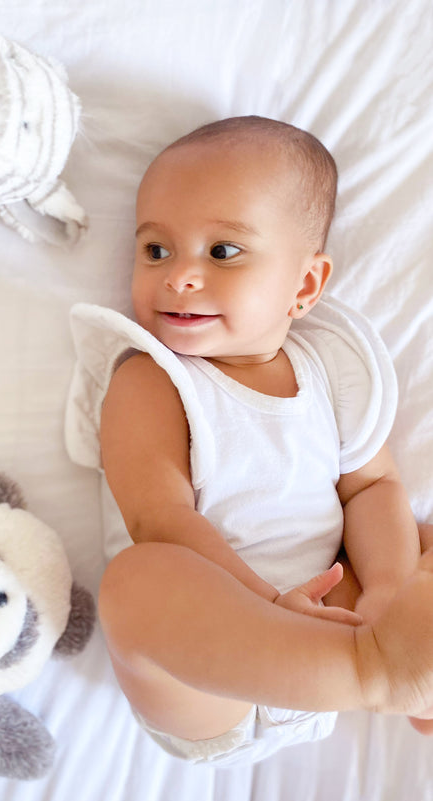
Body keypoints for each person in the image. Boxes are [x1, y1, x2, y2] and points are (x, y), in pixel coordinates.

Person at [66, 115, 433, 766]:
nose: (179, 276)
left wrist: (387, 591)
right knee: (137, 583)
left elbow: (373, 487)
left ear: (305, 285)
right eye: (156, 250)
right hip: (212, 683)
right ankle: (377, 674)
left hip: (339, 619)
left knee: (415, 534)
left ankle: (401, 669)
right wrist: (271, 610)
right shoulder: (153, 380)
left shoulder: (331, 373)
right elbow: (160, 518)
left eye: (222, 252)